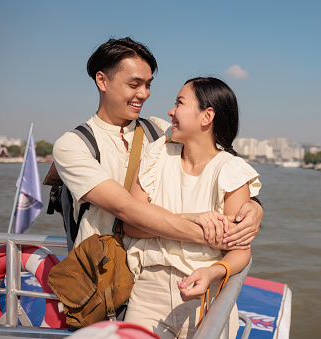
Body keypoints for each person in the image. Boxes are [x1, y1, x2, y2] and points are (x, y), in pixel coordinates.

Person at [52, 37, 263, 253]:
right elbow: (126, 209)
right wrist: (217, 236)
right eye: (134, 84)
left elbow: (217, 163)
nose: (144, 94)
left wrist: (254, 208)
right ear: (102, 81)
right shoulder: (73, 146)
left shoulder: (160, 131)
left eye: (148, 85)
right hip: (101, 271)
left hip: (149, 269)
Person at [123, 77, 259, 339]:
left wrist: (212, 272)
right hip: (147, 293)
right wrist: (191, 219)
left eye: (179, 103)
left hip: (207, 296)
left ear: (207, 116)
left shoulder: (230, 171)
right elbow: (131, 225)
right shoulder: (156, 156)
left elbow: (240, 249)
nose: (170, 111)